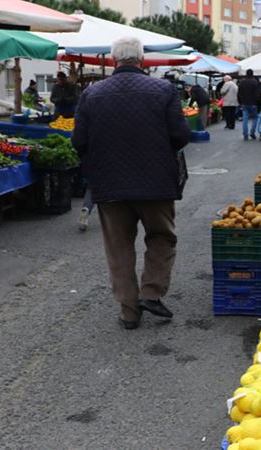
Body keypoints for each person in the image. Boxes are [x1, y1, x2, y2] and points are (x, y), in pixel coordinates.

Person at [71, 37, 191, 330]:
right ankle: (151, 293)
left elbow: (78, 141)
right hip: (156, 183)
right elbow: (180, 136)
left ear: (113, 60)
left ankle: (129, 312)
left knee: (119, 247)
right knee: (162, 237)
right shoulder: (164, 90)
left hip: (109, 184)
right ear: (142, 59)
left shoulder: (91, 94)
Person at [237, 69, 261, 141]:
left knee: (245, 119)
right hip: (254, 103)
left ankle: (245, 134)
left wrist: (240, 102)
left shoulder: (242, 82)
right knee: (255, 118)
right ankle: (252, 132)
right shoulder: (256, 82)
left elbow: (239, 94)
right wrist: (260, 102)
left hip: (244, 103)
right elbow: (258, 95)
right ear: (253, 74)